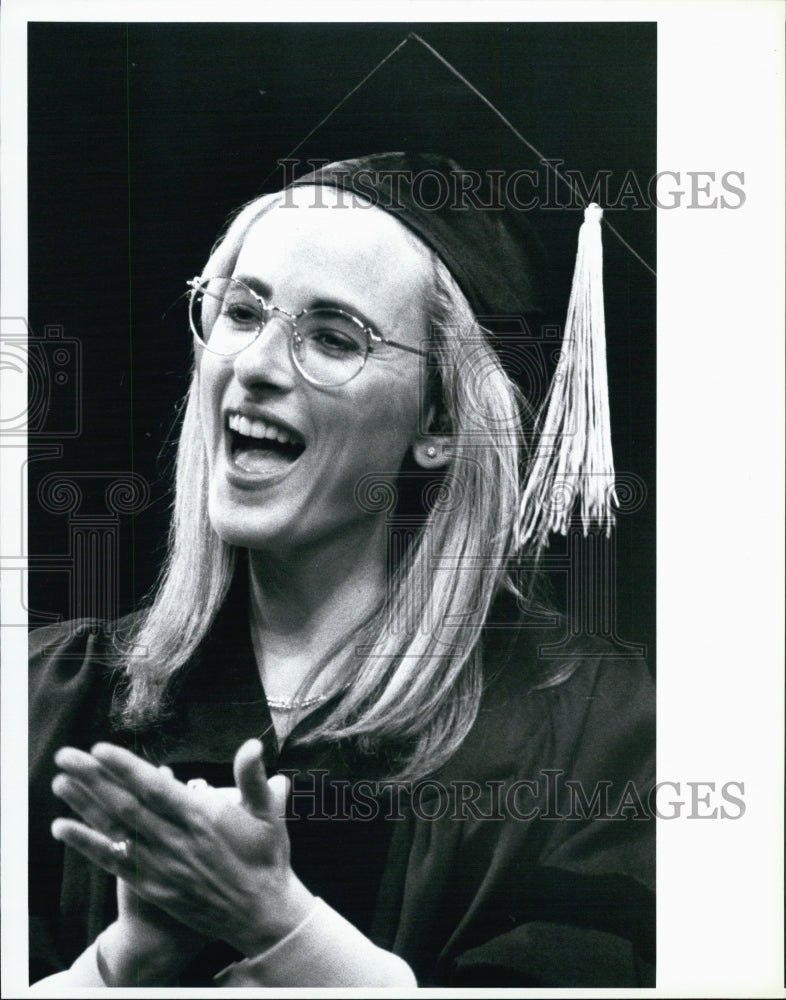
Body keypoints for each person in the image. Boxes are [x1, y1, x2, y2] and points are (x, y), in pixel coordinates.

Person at [29, 153, 655, 988]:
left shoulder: (588, 735)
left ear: (438, 422)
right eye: (242, 312)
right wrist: (123, 964)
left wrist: (282, 931)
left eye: (332, 338)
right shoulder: (44, 693)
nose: (253, 365)